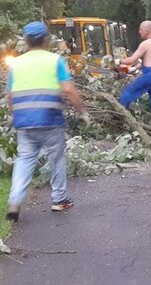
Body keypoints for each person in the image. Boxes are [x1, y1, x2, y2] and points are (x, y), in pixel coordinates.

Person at [5, 21, 88, 222]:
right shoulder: (55, 60)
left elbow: (10, 96)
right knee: (56, 158)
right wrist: (82, 111)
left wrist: (15, 115)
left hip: (24, 120)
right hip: (51, 118)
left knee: (25, 160)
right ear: (46, 40)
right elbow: (68, 89)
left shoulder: (15, 64)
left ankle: (15, 201)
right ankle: (59, 199)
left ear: (25, 41)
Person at [119, 20, 151, 126]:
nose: (139, 32)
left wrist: (118, 61)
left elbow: (131, 60)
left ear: (147, 30)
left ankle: (121, 116)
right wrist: (134, 68)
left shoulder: (145, 44)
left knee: (128, 92)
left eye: (141, 30)